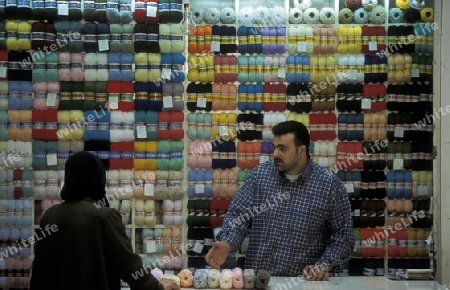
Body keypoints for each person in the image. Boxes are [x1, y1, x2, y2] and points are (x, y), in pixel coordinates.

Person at [205, 121, 354, 280]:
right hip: (259, 282)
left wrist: (323, 265)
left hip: (303, 283)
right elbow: (239, 216)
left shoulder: (330, 185)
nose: (275, 153)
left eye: (283, 148)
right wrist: (227, 243)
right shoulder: (260, 176)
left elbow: (343, 236)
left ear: (301, 150)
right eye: (275, 147)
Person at [30, 151, 163, 290]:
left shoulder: (50, 215)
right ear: (98, 178)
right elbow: (131, 267)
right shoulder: (104, 216)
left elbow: (40, 269)